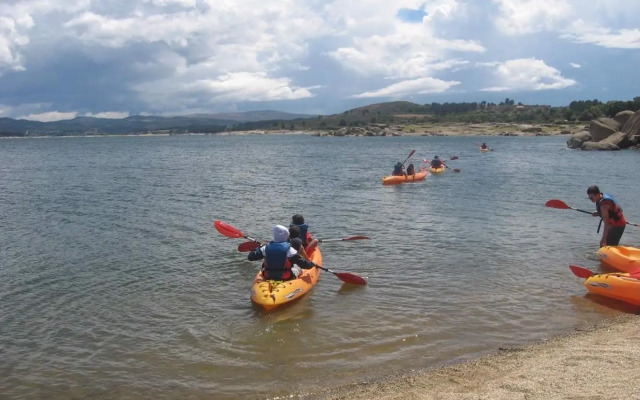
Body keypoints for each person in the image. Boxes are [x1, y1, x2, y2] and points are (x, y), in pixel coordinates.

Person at [247, 225, 315, 280]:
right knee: (297, 267)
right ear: (286, 236)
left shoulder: (265, 248)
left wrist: (260, 246)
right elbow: (305, 265)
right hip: (285, 277)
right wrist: (311, 264)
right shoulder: (290, 250)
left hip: (268, 276)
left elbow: (250, 257)